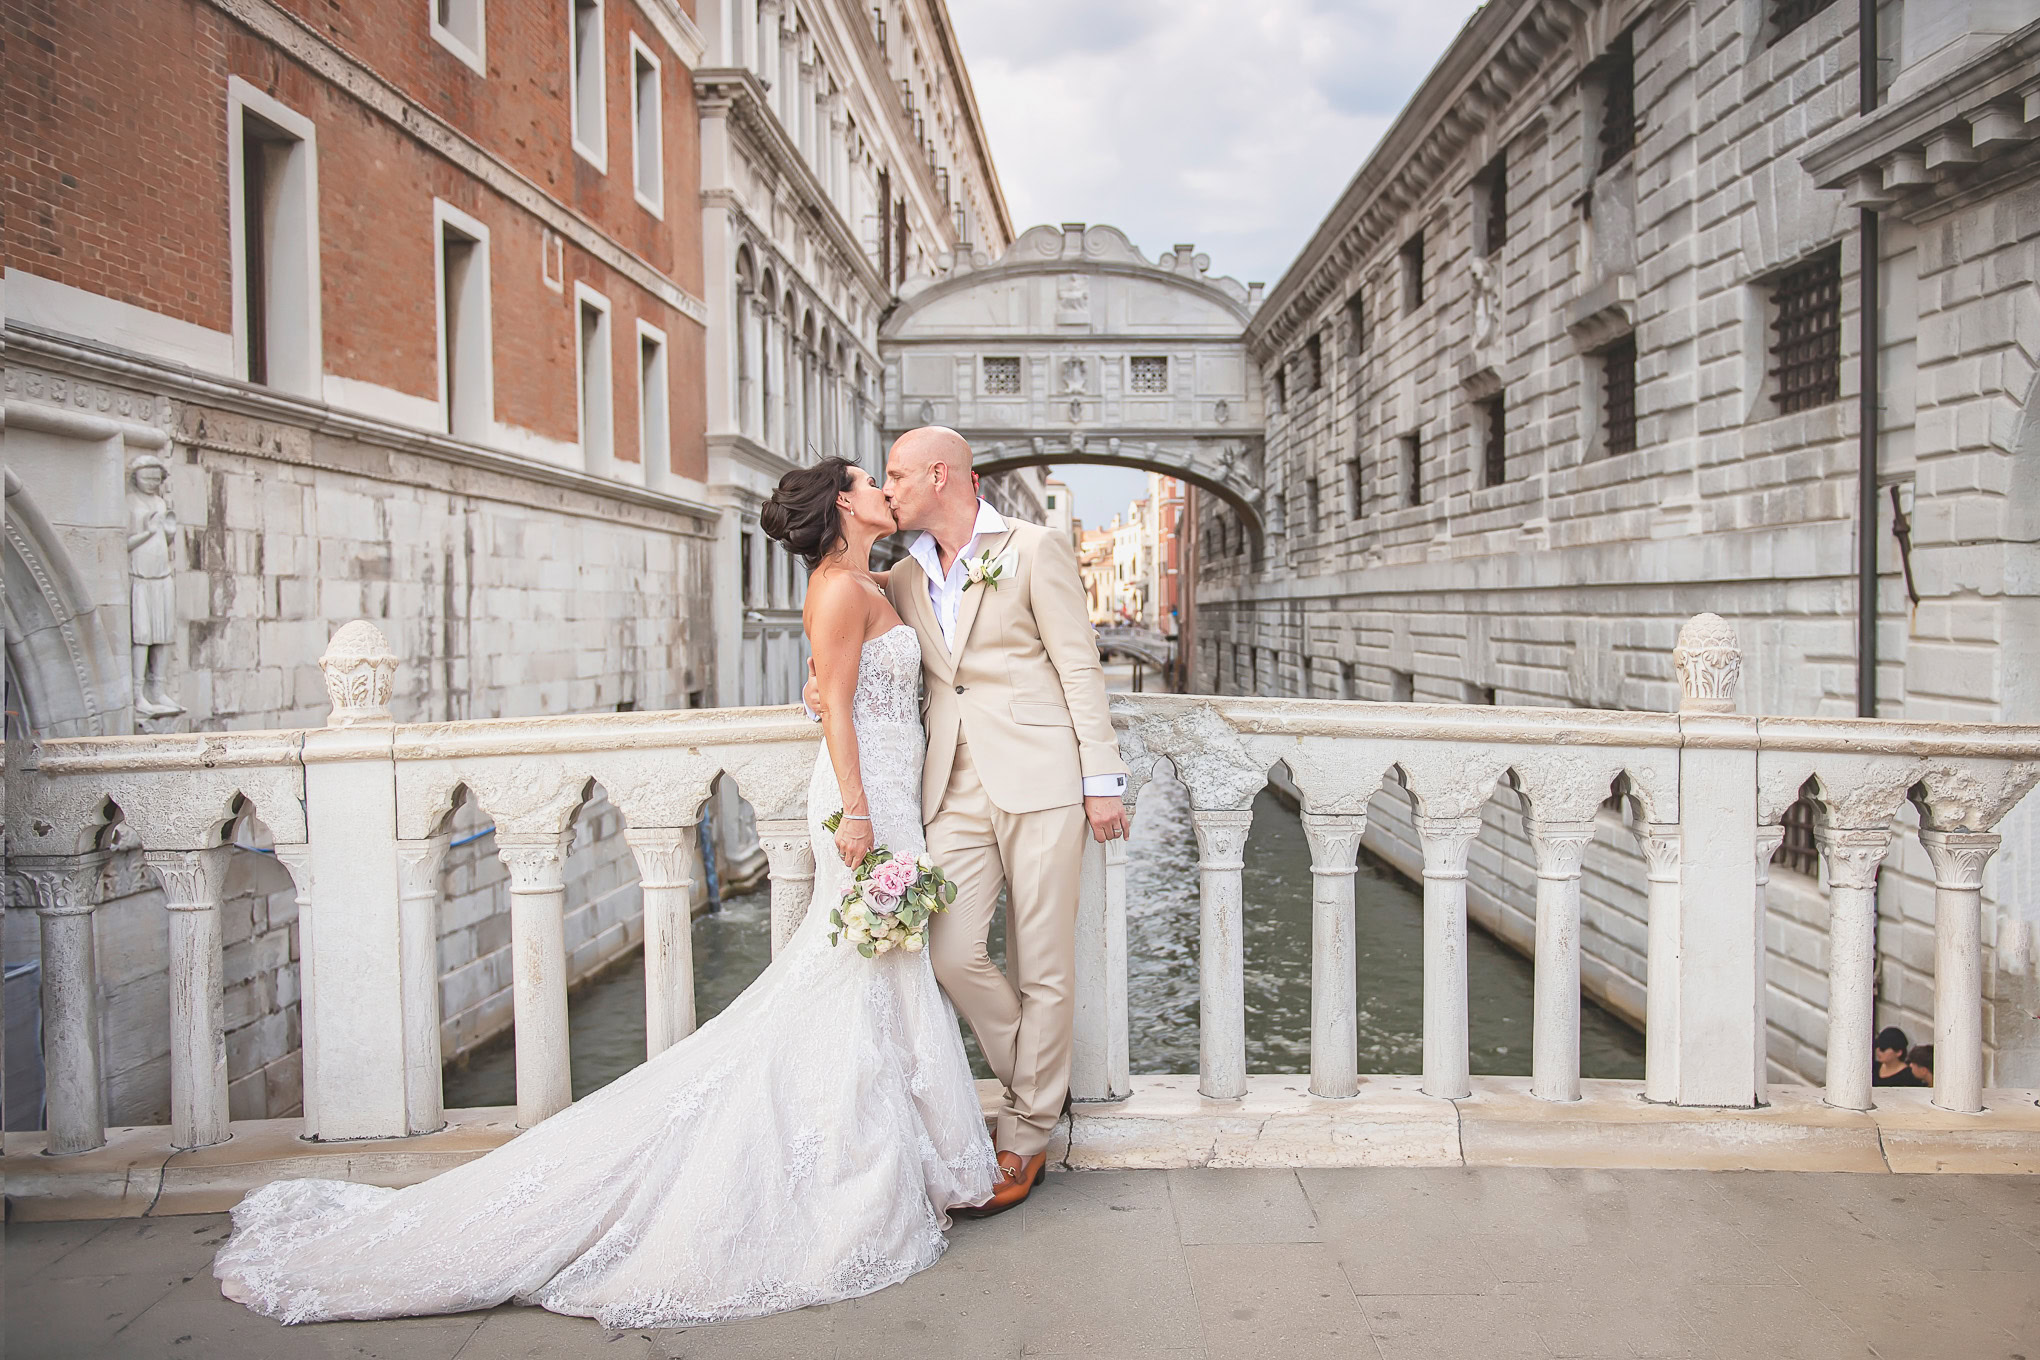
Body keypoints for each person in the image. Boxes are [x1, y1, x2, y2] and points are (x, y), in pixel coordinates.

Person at [212, 456, 996, 1326]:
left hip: (893, 798)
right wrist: (854, 812)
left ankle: (903, 1155)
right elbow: (841, 708)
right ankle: (855, 1170)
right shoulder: (840, 591)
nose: (888, 488)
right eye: (871, 479)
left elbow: (827, 689)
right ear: (845, 503)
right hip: (865, 805)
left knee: (876, 973)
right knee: (853, 973)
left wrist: (838, 721)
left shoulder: (866, 580)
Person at [812, 426, 1130, 1216]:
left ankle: (1024, 1135)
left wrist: (1101, 780)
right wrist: (818, 688)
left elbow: (1078, 667)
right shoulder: (903, 578)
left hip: (1043, 777)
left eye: (896, 475)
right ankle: (1040, 1083)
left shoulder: (1033, 547)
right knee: (950, 949)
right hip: (949, 785)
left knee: (1047, 964)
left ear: (939, 475)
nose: (888, 489)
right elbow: (844, 637)